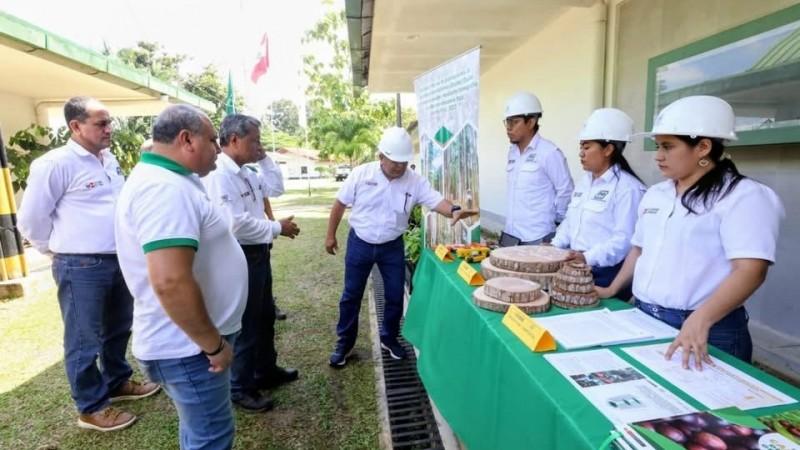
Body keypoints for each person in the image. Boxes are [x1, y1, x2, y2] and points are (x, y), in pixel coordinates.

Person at [596, 96, 784, 369]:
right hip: (644, 316)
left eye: (668, 147)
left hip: (708, 330)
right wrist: (612, 289)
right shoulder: (657, 194)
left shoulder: (743, 197)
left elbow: (750, 270)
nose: (658, 156)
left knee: (704, 411)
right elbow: (639, 249)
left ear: (703, 147)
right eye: (658, 146)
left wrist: (701, 319)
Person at [17, 96, 159, 432]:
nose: (109, 129)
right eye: (101, 123)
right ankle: (91, 407)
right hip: (80, 265)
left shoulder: (108, 160)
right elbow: (31, 219)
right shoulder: (55, 164)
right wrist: (55, 251)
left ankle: (117, 381)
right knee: (84, 339)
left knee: (118, 327)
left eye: (110, 122)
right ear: (75, 126)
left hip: (118, 259)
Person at [115, 104, 247, 449]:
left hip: (189, 345)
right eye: (212, 140)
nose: (218, 148)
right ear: (187, 139)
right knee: (211, 439)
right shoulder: (164, 190)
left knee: (200, 431)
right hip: (189, 348)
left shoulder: (175, 180)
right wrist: (213, 345)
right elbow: (170, 281)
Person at [325, 127, 476, 367]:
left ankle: (389, 338)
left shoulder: (414, 181)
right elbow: (340, 204)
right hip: (360, 243)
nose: (399, 167)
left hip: (391, 247)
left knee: (395, 295)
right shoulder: (361, 174)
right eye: (394, 162)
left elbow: (436, 200)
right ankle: (345, 343)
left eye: (403, 162)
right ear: (381, 157)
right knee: (351, 295)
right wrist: (330, 235)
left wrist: (454, 211)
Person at [203, 114, 300, 413]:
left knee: (264, 316)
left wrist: (266, 157)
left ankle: (265, 371)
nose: (259, 146)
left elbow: (275, 188)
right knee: (246, 324)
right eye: (254, 141)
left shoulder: (245, 171)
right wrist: (276, 228)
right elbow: (234, 224)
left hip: (259, 254)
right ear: (233, 140)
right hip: (240, 256)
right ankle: (241, 387)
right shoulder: (220, 175)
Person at [551, 108, 646, 297]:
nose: (581, 153)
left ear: (608, 149)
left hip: (605, 275)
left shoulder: (628, 188)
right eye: (581, 147)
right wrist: (554, 247)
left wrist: (586, 257)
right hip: (575, 266)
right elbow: (570, 222)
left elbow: (624, 240)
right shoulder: (584, 182)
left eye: (586, 148)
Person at [501, 91, 573, 246]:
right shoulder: (512, 152)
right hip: (511, 235)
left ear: (531, 122)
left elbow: (565, 190)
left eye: (515, 122)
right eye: (507, 122)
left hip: (537, 237)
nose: (509, 127)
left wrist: (556, 222)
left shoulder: (549, 153)